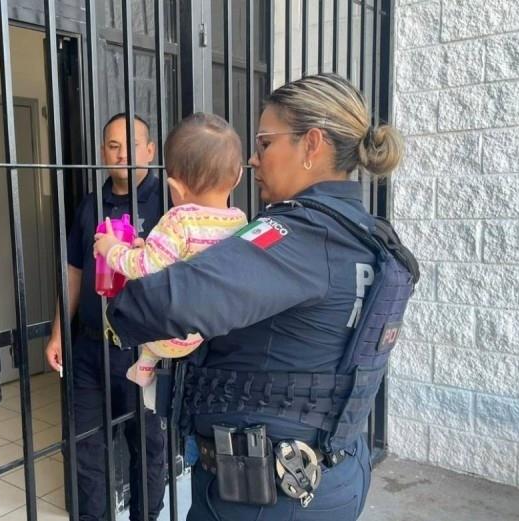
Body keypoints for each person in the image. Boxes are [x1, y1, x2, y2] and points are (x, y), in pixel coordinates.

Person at [105, 73, 417, 521]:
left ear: (312, 145)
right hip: (332, 473)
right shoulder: (366, 233)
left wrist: (120, 313)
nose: (252, 159)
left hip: (265, 497)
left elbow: (165, 303)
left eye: (265, 143)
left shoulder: (296, 236)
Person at [43, 113, 167, 521]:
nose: (122, 154)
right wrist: (59, 332)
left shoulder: (167, 204)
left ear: (150, 150)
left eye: (131, 145)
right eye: (113, 146)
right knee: (85, 448)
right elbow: (75, 272)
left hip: (145, 352)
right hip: (91, 350)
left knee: (147, 448)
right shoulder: (90, 206)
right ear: (103, 152)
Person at [93, 113, 247, 408]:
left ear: (175, 188)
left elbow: (144, 267)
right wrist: (147, 247)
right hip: (209, 327)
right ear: (238, 176)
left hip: (167, 334)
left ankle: (145, 370)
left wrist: (111, 248)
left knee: (130, 320)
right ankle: (146, 373)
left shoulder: (179, 219)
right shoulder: (239, 220)